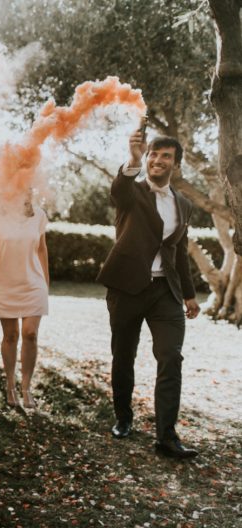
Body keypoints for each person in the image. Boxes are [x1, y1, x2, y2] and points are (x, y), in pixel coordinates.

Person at [97, 130, 200, 459]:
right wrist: (133, 160)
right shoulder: (132, 193)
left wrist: (189, 294)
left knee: (171, 357)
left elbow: (178, 251)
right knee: (123, 355)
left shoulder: (183, 205)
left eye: (166, 156)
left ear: (177, 165)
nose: (158, 160)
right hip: (127, 287)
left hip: (164, 294)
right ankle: (123, 418)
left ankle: (166, 436)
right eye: (154, 154)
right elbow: (117, 190)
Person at [0, 193, 49, 409]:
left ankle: (26, 386)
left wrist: (46, 283)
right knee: (10, 336)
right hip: (5, 284)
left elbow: (42, 249)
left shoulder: (38, 215)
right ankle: (10, 384)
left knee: (30, 333)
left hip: (33, 283)